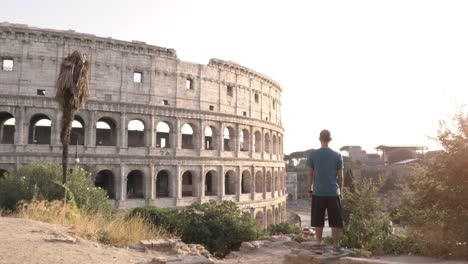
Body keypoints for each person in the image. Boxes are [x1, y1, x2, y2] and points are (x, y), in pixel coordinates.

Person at [306, 129, 344, 254]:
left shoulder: (313, 155)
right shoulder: (338, 155)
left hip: (318, 192)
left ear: (319, 139)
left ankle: (318, 243)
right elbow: (341, 176)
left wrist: (309, 190)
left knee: (318, 219)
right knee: (335, 220)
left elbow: (310, 175)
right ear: (330, 139)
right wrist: (341, 191)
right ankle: (336, 245)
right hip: (334, 192)